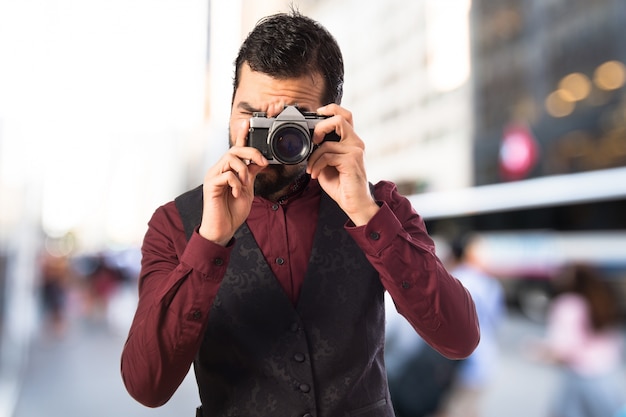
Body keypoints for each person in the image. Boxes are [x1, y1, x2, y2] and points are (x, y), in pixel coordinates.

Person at [120, 10, 479, 417]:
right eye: (251, 114)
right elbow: (146, 385)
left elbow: (460, 338)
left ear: (330, 119)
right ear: (231, 106)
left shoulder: (381, 207)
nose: (267, 136)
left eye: (291, 120)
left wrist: (365, 213)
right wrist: (208, 241)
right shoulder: (174, 224)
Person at [528, 263, 625, 417]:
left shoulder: (568, 304)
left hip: (579, 380)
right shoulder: (602, 300)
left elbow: (563, 350)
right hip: (606, 378)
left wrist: (537, 351)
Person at [436, 234, 506, 417]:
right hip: (484, 360)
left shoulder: (454, 279)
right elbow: (495, 321)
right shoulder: (490, 283)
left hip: (455, 365)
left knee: (449, 409)